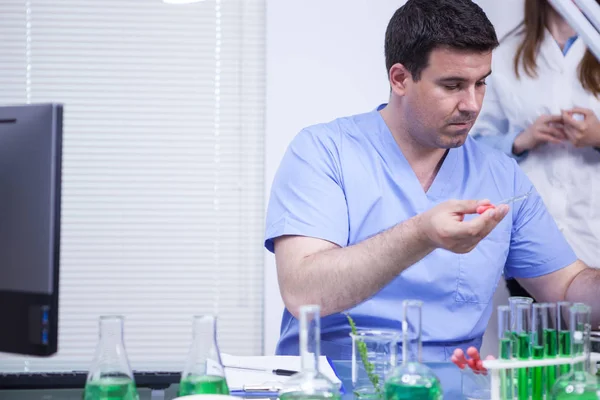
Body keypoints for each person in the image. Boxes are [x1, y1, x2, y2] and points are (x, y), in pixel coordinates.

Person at [264, 0, 600, 362]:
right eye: (453, 85)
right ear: (400, 79)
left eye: (480, 83)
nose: (472, 104)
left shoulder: (501, 175)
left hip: (450, 387)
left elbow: (566, 287)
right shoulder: (324, 152)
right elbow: (303, 292)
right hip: (335, 383)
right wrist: (421, 235)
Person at [471, 0, 600, 301]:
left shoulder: (594, 41)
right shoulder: (506, 55)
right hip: (531, 243)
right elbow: (469, 145)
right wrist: (520, 140)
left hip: (593, 232)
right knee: (535, 343)